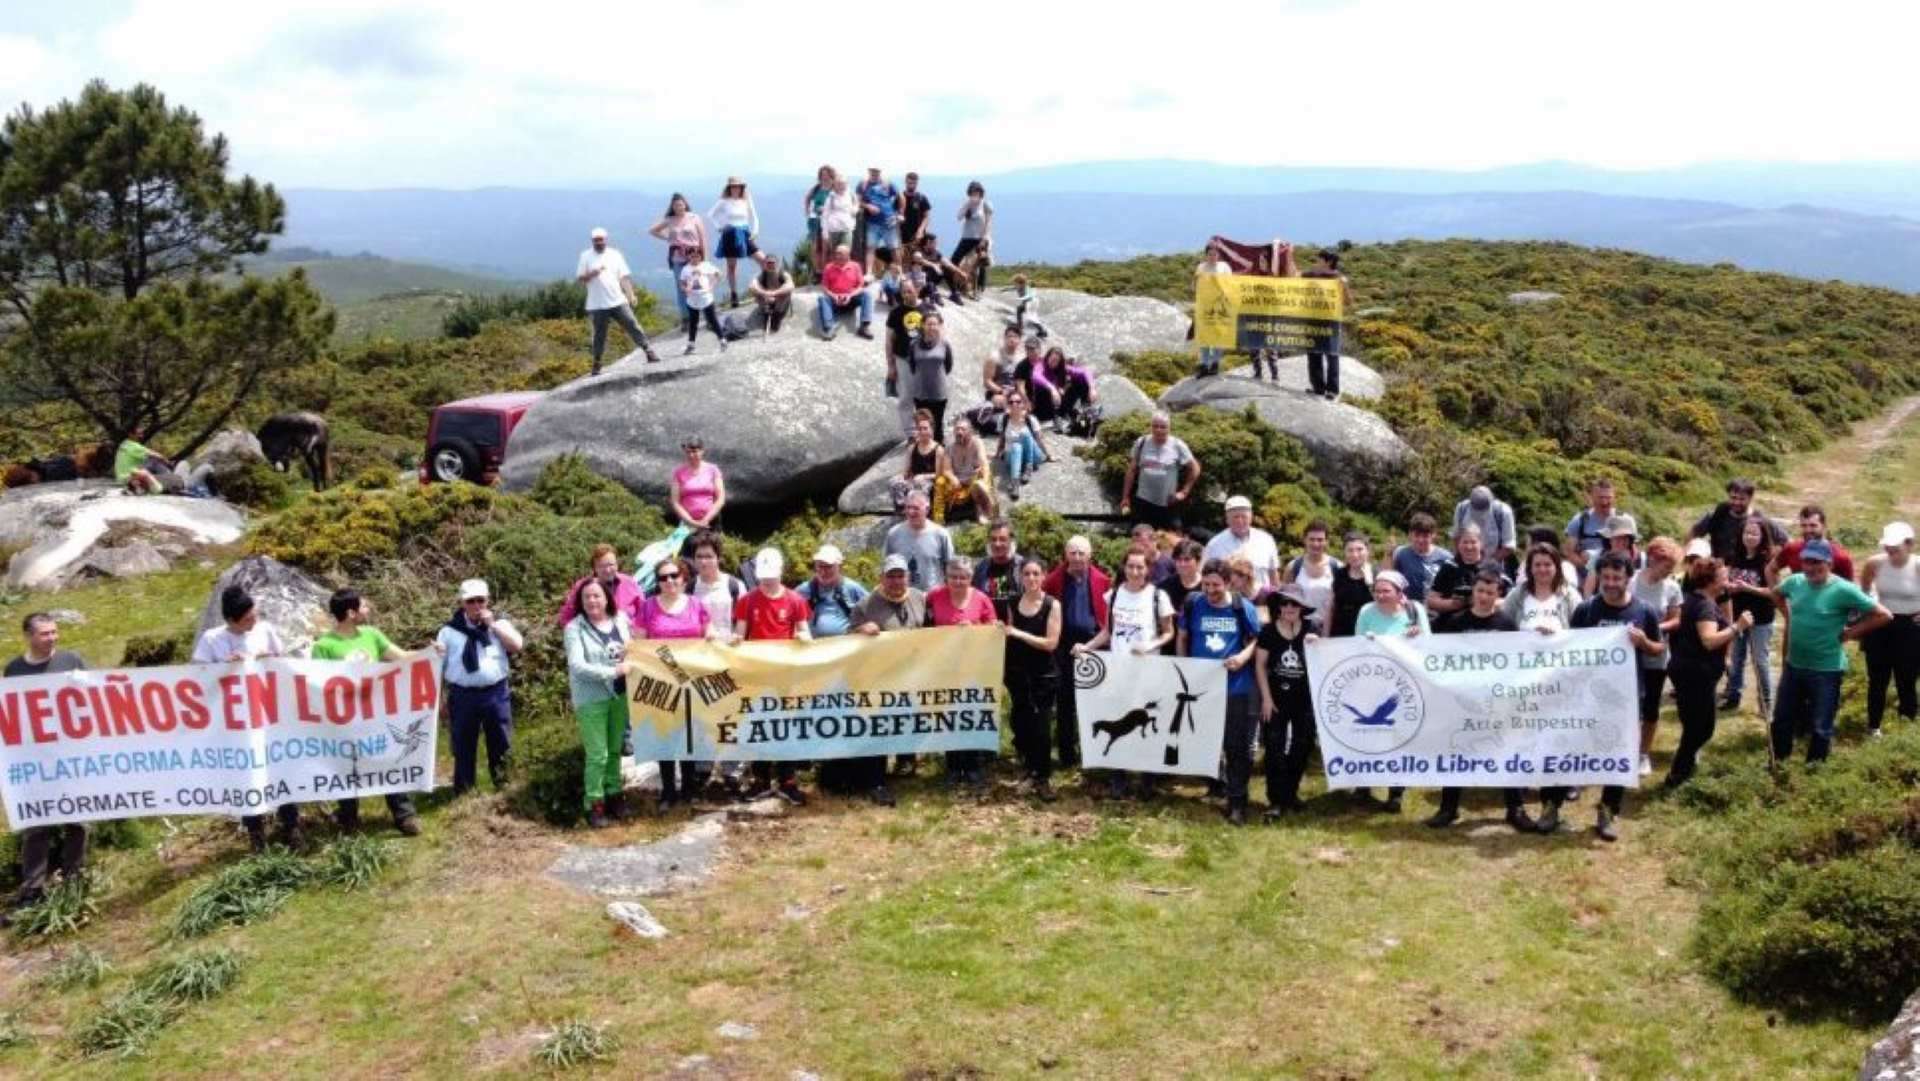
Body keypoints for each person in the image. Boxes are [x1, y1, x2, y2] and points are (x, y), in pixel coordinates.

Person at [1544, 551, 1666, 841]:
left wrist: (1643, 642)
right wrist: (1547, 638)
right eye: (1606, 577)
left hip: (1624, 698)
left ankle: (1608, 812)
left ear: (1628, 578)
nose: (1610, 583)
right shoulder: (1586, 610)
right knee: (1566, 749)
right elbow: (1569, 647)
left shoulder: (1644, 611)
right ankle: (1551, 807)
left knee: (1618, 753)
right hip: (1584, 695)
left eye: (1617, 577)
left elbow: (1659, 649)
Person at [1426, 570, 1541, 833]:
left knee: (1506, 748)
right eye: (1480, 591)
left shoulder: (1506, 624)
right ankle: (1448, 808)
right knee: (1457, 748)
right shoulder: (1455, 622)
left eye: (1490, 592)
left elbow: (1519, 660)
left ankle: (1515, 809)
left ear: (1498, 594)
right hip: (1463, 698)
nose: (1484, 597)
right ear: (1473, 592)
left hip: (1498, 699)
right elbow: (1435, 653)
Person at [310, 589, 426, 836]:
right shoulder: (324, 646)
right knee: (346, 767)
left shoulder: (372, 635)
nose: (368, 609)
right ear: (350, 613)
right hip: (344, 721)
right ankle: (349, 820)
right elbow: (318, 686)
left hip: (376, 715)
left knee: (388, 759)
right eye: (363, 606)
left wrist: (429, 653)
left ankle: (404, 815)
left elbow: (401, 657)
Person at [193, 585, 301, 849]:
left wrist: (267, 659)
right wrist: (225, 666)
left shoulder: (265, 630)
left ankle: (292, 827)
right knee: (246, 774)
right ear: (231, 620)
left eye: (255, 615)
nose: (254, 621)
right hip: (236, 722)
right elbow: (198, 677)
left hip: (268, 715)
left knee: (279, 766)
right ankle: (256, 835)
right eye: (247, 619)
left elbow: (282, 663)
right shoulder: (212, 639)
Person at [1770, 540, 1891, 763]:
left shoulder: (1843, 589)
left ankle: (1814, 770)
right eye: (1807, 562)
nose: (1810, 567)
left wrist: (1851, 633)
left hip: (1826, 670)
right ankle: (1779, 763)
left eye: (1817, 562)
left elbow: (1883, 615)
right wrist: (1788, 614)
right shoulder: (1795, 582)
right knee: (1782, 719)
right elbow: (1776, 593)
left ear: (1829, 564)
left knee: (1821, 726)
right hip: (1794, 665)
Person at [4, 614, 90, 922]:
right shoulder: (15, 670)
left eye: (54, 632)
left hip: (71, 755)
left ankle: (74, 879)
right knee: (37, 825)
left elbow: (97, 698)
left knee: (78, 820)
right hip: (36, 760)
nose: (52, 638)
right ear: (28, 636)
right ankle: (33, 889)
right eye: (44, 634)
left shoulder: (72, 660)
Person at [1178, 558, 1263, 824]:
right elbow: (1182, 636)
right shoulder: (1193, 603)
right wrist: (1183, 667)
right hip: (1201, 686)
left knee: (1236, 746)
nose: (1210, 590)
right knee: (1204, 740)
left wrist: (1242, 657)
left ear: (1228, 583)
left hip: (1235, 686)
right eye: (1206, 584)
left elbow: (1257, 639)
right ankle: (1217, 784)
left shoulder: (1242, 607)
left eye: (1216, 585)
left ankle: (1237, 802)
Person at [630, 557, 714, 809]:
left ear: (683, 577)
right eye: (663, 577)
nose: (669, 581)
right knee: (664, 736)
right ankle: (668, 791)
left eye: (674, 575)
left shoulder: (697, 605)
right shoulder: (647, 607)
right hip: (660, 682)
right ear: (657, 582)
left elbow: (709, 634)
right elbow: (639, 644)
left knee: (690, 735)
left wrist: (714, 638)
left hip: (691, 683)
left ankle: (689, 788)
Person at [733, 549, 813, 804]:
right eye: (763, 577)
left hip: (786, 674)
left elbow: (805, 632)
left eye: (771, 576)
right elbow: (740, 633)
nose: (767, 581)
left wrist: (803, 637)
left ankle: (788, 780)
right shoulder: (747, 600)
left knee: (786, 726)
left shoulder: (795, 600)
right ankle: (761, 779)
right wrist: (735, 641)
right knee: (759, 725)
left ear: (780, 572)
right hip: (757, 673)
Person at [1663, 559, 1749, 787]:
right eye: (1723, 576)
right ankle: (1677, 774)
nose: (1727, 580)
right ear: (1710, 581)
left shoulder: (1695, 599)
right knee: (1701, 729)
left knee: (1694, 726)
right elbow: (1709, 641)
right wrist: (1738, 626)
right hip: (1695, 675)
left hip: (1688, 671)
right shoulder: (1704, 606)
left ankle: (1685, 768)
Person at [434, 579, 523, 799]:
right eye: (470, 601)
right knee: (463, 744)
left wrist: (493, 627)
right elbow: (437, 668)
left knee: (501, 741)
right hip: (462, 695)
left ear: (487, 600)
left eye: (480, 600)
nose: (476, 606)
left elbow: (517, 646)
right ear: (462, 603)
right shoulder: (448, 631)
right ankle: (465, 793)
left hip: (495, 692)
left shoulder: (499, 624)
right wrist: (440, 700)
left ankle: (504, 785)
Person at [849, 554, 927, 800]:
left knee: (909, 720)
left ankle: (906, 762)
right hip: (879, 678)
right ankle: (876, 780)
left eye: (900, 575)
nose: (896, 581)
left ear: (908, 577)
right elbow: (847, 639)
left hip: (912, 674)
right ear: (881, 577)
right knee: (879, 725)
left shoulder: (920, 598)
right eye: (890, 576)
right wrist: (860, 629)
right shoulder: (865, 605)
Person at [1352, 569, 1427, 816]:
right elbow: (1356, 642)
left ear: (1399, 592)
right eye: (1377, 591)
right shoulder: (1366, 611)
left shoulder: (1414, 611)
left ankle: (1396, 791)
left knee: (1399, 735)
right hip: (1373, 681)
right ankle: (1364, 784)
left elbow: (1428, 643)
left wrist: (1417, 636)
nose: (1380, 595)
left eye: (1386, 591)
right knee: (1368, 733)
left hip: (1404, 683)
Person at [564, 578, 633, 828]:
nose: (592, 601)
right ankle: (594, 803)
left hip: (620, 696)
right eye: (587, 597)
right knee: (598, 755)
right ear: (580, 602)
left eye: (597, 596)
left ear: (607, 598)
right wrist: (613, 671)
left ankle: (614, 794)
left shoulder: (621, 620)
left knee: (615, 750)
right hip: (591, 699)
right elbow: (577, 666)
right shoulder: (574, 628)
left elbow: (635, 647)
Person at [929, 556, 1001, 786]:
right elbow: (924, 625)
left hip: (975, 666)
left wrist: (975, 628)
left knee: (972, 714)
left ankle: (973, 766)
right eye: (954, 577)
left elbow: (994, 629)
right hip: (944, 666)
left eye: (963, 577)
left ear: (971, 578)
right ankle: (953, 766)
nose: (958, 581)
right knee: (949, 715)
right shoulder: (934, 596)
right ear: (946, 577)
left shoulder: (981, 599)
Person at [1045, 536, 1110, 771]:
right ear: (1066, 554)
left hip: (1095, 647)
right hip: (1064, 649)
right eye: (1073, 553)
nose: (1077, 558)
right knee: (1065, 703)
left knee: (1095, 702)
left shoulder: (1103, 581)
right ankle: (1067, 754)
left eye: (1082, 553)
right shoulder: (1053, 580)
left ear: (1090, 555)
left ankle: (1094, 753)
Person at [999, 556, 1061, 800]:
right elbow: (1008, 634)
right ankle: (1029, 769)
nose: (1031, 578)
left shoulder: (1052, 605)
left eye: (1036, 573)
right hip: (1017, 674)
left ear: (1044, 576)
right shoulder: (1012, 602)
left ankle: (1043, 777)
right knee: (1021, 723)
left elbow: (1050, 643)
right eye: (1027, 574)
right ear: (1020, 576)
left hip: (1043, 675)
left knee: (1042, 728)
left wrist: (1018, 633)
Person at [1255, 585, 1318, 819]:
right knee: (1274, 748)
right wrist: (1266, 699)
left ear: (1302, 607)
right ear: (1278, 607)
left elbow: (1325, 660)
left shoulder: (1312, 629)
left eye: (1294, 603)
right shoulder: (1268, 631)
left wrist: (1317, 644)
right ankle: (1276, 800)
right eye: (1285, 603)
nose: (1289, 607)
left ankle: (1290, 793)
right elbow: (1260, 665)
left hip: (1304, 700)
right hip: (1275, 699)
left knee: (1303, 746)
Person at [1630, 537, 1684, 777]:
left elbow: (1676, 620)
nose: (1669, 571)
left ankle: (1643, 754)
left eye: (1672, 567)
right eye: (1666, 566)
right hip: (1628, 654)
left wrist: (1655, 628)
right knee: (1629, 704)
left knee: (1651, 706)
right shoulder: (1630, 581)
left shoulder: (1672, 587)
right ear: (1652, 559)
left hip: (1656, 655)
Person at [575, 227, 661, 374]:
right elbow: (580, 278)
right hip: (597, 304)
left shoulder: (615, 255)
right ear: (592, 241)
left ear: (606, 239)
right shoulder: (585, 256)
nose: (598, 242)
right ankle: (597, 363)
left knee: (632, 324)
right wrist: (592, 274)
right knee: (599, 335)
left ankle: (648, 351)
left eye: (601, 240)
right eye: (596, 240)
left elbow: (624, 277)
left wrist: (631, 295)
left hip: (617, 300)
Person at [1861, 522, 1919, 736]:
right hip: (1881, 624)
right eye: (1888, 547)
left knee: (1906, 679)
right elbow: (1864, 588)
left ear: (1909, 544)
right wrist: (1870, 607)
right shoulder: (1875, 563)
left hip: (1910, 627)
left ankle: (1906, 725)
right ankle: (1873, 726)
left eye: (1896, 547)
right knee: (1877, 679)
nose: (1891, 550)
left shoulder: (1917, 565)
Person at [1720, 516, 1779, 715]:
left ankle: (1766, 704)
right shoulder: (1733, 556)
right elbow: (1724, 579)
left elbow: (1774, 592)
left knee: (1760, 660)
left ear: (1763, 536)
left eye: (1754, 533)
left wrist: (1748, 588)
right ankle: (1733, 696)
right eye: (1747, 532)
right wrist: (1728, 586)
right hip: (1738, 616)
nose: (1750, 537)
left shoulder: (1768, 561)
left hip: (1761, 617)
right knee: (1736, 658)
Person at [1426, 524, 1510, 617]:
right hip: (1452, 620)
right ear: (1458, 544)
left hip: (1484, 620)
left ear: (1481, 544)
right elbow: (1431, 601)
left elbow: (1509, 600)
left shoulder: (1492, 567)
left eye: (1473, 542)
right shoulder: (1449, 566)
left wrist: (1480, 602)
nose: (1469, 547)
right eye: (1465, 542)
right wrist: (1453, 604)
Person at [1301, 249, 1354, 398]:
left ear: (1328, 262)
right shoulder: (1311, 275)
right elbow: (1293, 276)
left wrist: (1345, 286)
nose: (1316, 262)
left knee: (1331, 354)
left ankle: (1332, 390)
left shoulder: (1338, 278)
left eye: (1319, 259)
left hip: (1330, 322)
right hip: (1312, 320)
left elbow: (1348, 302)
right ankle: (1318, 387)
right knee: (1313, 354)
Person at [1691, 478, 1785, 561]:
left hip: (1747, 569)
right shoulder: (1717, 515)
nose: (1737, 502)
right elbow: (1694, 533)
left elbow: (1785, 542)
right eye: (1733, 498)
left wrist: (1771, 561)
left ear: (1750, 498)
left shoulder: (1760, 520)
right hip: (1718, 567)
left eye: (1742, 499)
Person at [648, 193, 708, 321]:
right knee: (682, 288)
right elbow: (653, 230)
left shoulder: (694, 218)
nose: (678, 207)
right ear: (672, 207)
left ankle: (706, 316)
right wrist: (668, 238)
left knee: (699, 285)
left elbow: (702, 239)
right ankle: (686, 318)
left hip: (694, 257)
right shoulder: (670, 220)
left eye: (680, 204)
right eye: (676, 205)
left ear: (685, 205)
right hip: (678, 258)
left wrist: (705, 258)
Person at [883, 489, 956, 593]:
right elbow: (885, 567)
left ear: (927, 509)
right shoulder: (893, 534)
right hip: (902, 596)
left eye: (915, 508)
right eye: (908, 507)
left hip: (932, 596)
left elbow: (951, 567)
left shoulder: (941, 534)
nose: (910, 512)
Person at [557, 544, 647, 628]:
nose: (607, 570)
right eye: (602, 566)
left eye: (611, 565)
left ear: (617, 564)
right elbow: (566, 617)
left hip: (629, 635)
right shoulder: (582, 586)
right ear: (594, 568)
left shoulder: (630, 583)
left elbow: (644, 613)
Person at [1204, 496, 1282, 591]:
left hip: (1262, 598)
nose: (1240, 521)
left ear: (1251, 518)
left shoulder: (1266, 540)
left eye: (1244, 517)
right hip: (1229, 598)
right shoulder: (1215, 544)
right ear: (1227, 519)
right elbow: (1206, 578)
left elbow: (1273, 574)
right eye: (1235, 517)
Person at [1501, 542, 1582, 633]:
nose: (1542, 569)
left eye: (1547, 565)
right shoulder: (1516, 595)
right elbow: (1503, 625)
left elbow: (1580, 630)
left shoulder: (1570, 596)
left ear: (1556, 567)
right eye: (1537, 565)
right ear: (1530, 568)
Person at [707, 177, 760, 308]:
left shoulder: (746, 200)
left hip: (745, 232)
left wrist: (755, 231)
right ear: (729, 188)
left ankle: (766, 285)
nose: (735, 188)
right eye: (733, 186)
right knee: (731, 266)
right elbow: (710, 214)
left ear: (742, 187)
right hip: (730, 233)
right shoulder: (724, 201)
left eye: (738, 186)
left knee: (762, 259)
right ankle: (734, 295)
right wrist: (719, 227)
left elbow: (754, 216)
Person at [796, 545, 868, 641]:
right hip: (812, 647)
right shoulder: (803, 590)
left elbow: (874, 608)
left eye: (828, 567)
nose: (823, 571)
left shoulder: (852, 588)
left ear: (840, 567)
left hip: (844, 646)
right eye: (820, 566)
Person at [1281, 521, 1342, 633]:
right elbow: (1283, 601)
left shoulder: (1337, 567)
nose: (1316, 544)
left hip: (1330, 628)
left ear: (1326, 542)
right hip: (1299, 629)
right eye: (1312, 539)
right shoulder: (1293, 567)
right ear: (1305, 540)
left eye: (1320, 540)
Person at [905, 311, 955, 443]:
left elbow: (948, 366)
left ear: (939, 326)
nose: (932, 327)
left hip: (939, 392)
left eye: (934, 324)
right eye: (929, 324)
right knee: (923, 425)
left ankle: (939, 450)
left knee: (937, 426)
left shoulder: (944, 344)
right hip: (920, 392)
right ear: (923, 325)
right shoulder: (914, 344)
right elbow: (912, 365)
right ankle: (924, 450)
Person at [888, 409, 949, 516]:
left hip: (929, 481)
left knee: (919, 484)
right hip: (914, 478)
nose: (922, 432)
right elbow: (906, 471)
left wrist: (924, 476)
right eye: (919, 429)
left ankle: (921, 510)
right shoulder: (912, 447)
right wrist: (903, 477)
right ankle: (902, 509)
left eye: (925, 429)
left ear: (931, 430)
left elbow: (940, 474)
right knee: (894, 481)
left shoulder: (938, 449)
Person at [1774, 504, 1857, 580]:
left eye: (1813, 525)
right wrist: (1777, 591)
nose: (1808, 530)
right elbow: (1771, 569)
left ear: (1824, 526)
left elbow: (1849, 587)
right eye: (1804, 525)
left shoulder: (1840, 557)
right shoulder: (1792, 549)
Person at [996, 388, 1051, 501]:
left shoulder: (1030, 419)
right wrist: (997, 453)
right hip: (1013, 457)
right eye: (1011, 402)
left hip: (1032, 455)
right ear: (1008, 404)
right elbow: (1001, 438)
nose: (1014, 404)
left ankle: (1028, 467)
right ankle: (1015, 483)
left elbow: (1039, 439)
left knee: (1025, 434)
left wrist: (1049, 455)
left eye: (1018, 401)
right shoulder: (1004, 419)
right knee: (1016, 446)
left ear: (1023, 404)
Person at [941, 417, 996, 523]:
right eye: (957, 429)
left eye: (963, 429)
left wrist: (985, 480)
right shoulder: (949, 447)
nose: (959, 432)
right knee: (942, 482)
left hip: (973, 478)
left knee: (979, 484)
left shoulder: (977, 443)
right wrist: (953, 478)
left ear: (970, 431)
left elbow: (984, 463)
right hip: (958, 481)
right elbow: (946, 470)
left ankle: (983, 512)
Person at [814, 244, 874, 340]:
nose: (837, 256)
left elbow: (861, 286)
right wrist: (834, 296)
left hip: (851, 300)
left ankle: (864, 326)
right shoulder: (828, 267)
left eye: (840, 253)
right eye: (836, 253)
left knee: (867, 294)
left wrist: (850, 296)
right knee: (822, 298)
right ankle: (829, 328)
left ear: (847, 255)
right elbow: (824, 287)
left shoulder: (855, 266)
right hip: (835, 301)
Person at [1565, 477, 1624, 574]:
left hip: (1616, 572)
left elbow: (1633, 552)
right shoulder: (1580, 520)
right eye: (1600, 497)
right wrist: (1588, 568)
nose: (1604, 502)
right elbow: (1569, 552)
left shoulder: (1623, 520)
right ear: (1592, 497)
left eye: (1608, 497)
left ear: (1614, 498)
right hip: (1585, 572)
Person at [1029, 348, 1097, 431]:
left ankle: (1086, 409)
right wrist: (1052, 388)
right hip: (1043, 406)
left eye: (1056, 361)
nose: (1053, 362)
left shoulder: (1062, 368)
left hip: (1058, 403)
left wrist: (1092, 388)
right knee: (1044, 389)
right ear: (1047, 357)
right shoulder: (1040, 366)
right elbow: (1036, 376)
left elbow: (1085, 372)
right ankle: (1053, 420)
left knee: (1081, 380)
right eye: (1052, 359)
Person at [1391, 513, 1452, 604]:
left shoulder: (1446, 557)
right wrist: (1388, 554)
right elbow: (1387, 578)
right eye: (1417, 535)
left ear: (1433, 535)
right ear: (1410, 534)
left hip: (1435, 608)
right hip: (1407, 606)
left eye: (1425, 536)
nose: (1420, 540)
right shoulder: (1401, 553)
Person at [670, 437, 726, 533]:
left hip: (711, 522)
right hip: (687, 523)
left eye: (694, 451)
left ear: (702, 451)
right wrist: (691, 522)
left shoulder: (713, 469)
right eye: (688, 452)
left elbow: (721, 498)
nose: (691, 455)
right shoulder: (678, 472)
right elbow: (675, 501)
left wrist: (706, 520)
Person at [1452, 485, 1517, 566]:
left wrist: (1487, 563)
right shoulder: (1462, 508)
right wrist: (1461, 558)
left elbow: (1509, 546)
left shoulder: (1503, 512)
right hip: (1465, 561)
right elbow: (1456, 536)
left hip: (1494, 563)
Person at [1194, 244, 1233, 377]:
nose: (1212, 257)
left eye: (1215, 254)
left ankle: (1215, 363)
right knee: (1204, 336)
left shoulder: (1224, 267)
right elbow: (1196, 285)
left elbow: (1230, 285)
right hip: (1205, 306)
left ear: (1218, 255)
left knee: (1218, 336)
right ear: (1206, 255)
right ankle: (1205, 364)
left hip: (1220, 306)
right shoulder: (1201, 267)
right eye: (1210, 254)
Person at [1329, 532, 1376, 639]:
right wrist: (1325, 635)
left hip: (1367, 634)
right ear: (1345, 553)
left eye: (1360, 549)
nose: (1355, 555)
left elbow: (1382, 604)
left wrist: (1370, 582)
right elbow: (1331, 607)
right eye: (1350, 550)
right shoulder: (1339, 574)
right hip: (1340, 634)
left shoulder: (1377, 574)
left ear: (1368, 551)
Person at [678, 252, 726, 355]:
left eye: (697, 256)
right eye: (692, 256)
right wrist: (685, 289)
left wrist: (712, 286)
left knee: (712, 320)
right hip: (692, 299)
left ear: (700, 257)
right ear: (689, 257)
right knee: (693, 322)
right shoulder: (685, 269)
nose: (695, 259)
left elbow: (718, 274)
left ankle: (722, 340)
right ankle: (691, 345)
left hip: (706, 297)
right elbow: (681, 283)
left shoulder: (706, 265)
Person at [973, 518, 1022, 620]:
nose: (997, 544)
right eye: (993, 539)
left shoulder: (1022, 566)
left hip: (1017, 626)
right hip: (989, 626)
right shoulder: (981, 568)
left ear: (1011, 540)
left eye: (1002, 539)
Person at [856, 167, 901, 276]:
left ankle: (900, 272)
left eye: (877, 171)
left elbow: (901, 198)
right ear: (869, 172)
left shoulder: (888, 183)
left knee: (894, 248)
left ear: (880, 172)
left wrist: (900, 214)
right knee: (871, 247)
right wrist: (868, 206)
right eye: (872, 171)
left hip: (889, 221)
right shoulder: (863, 184)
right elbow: (857, 201)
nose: (874, 173)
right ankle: (869, 273)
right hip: (873, 223)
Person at [952, 181, 994, 294]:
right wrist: (968, 205)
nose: (975, 195)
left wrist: (984, 238)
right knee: (955, 258)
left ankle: (980, 287)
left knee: (981, 262)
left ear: (981, 193)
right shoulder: (967, 203)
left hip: (980, 238)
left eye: (977, 192)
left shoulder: (986, 204)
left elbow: (988, 223)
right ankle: (953, 282)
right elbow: (959, 217)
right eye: (972, 192)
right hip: (967, 237)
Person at [747, 251, 794, 335]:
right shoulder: (763, 275)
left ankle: (776, 316)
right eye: (768, 263)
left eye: (772, 263)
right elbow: (752, 285)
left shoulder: (783, 274)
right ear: (765, 264)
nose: (770, 265)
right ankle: (766, 313)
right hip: (767, 300)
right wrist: (764, 293)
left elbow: (790, 285)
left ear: (777, 264)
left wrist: (774, 294)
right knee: (756, 292)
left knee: (786, 291)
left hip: (780, 301)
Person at [803, 165, 837, 278]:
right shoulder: (816, 188)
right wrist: (807, 211)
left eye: (826, 174)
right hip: (815, 220)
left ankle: (827, 270)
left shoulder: (835, 188)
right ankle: (818, 271)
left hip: (829, 221)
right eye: (822, 175)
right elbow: (807, 198)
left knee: (826, 246)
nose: (824, 177)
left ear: (831, 175)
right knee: (815, 247)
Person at [982, 324, 1025, 410]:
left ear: (1019, 340)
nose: (1012, 339)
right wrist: (1001, 391)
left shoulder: (1022, 359)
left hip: (1015, 393)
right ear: (1004, 338)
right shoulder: (994, 357)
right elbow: (987, 381)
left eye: (1015, 337)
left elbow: (1023, 381)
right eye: (1009, 336)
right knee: (1001, 401)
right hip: (997, 392)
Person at [820, 175, 858, 261]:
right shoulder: (831, 197)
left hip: (846, 228)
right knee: (834, 253)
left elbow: (856, 204)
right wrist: (825, 232)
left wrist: (855, 210)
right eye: (839, 184)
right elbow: (825, 215)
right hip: (833, 229)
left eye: (843, 184)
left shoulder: (850, 194)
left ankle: (847, 269)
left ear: (846, 184)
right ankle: (835, 269)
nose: (841, 186)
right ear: (835, 185)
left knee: (846, 252)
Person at [899, 171, 932, 252]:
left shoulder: (921, 198)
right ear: (905, 182)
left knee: (918, 256)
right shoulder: (899, 197)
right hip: (902, 234)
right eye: (909, 183)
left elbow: (926, 216)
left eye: (914, 183)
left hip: (918, 235)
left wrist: (921, 230)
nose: (911, 185)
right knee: (903, 256)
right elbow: (893, 214)